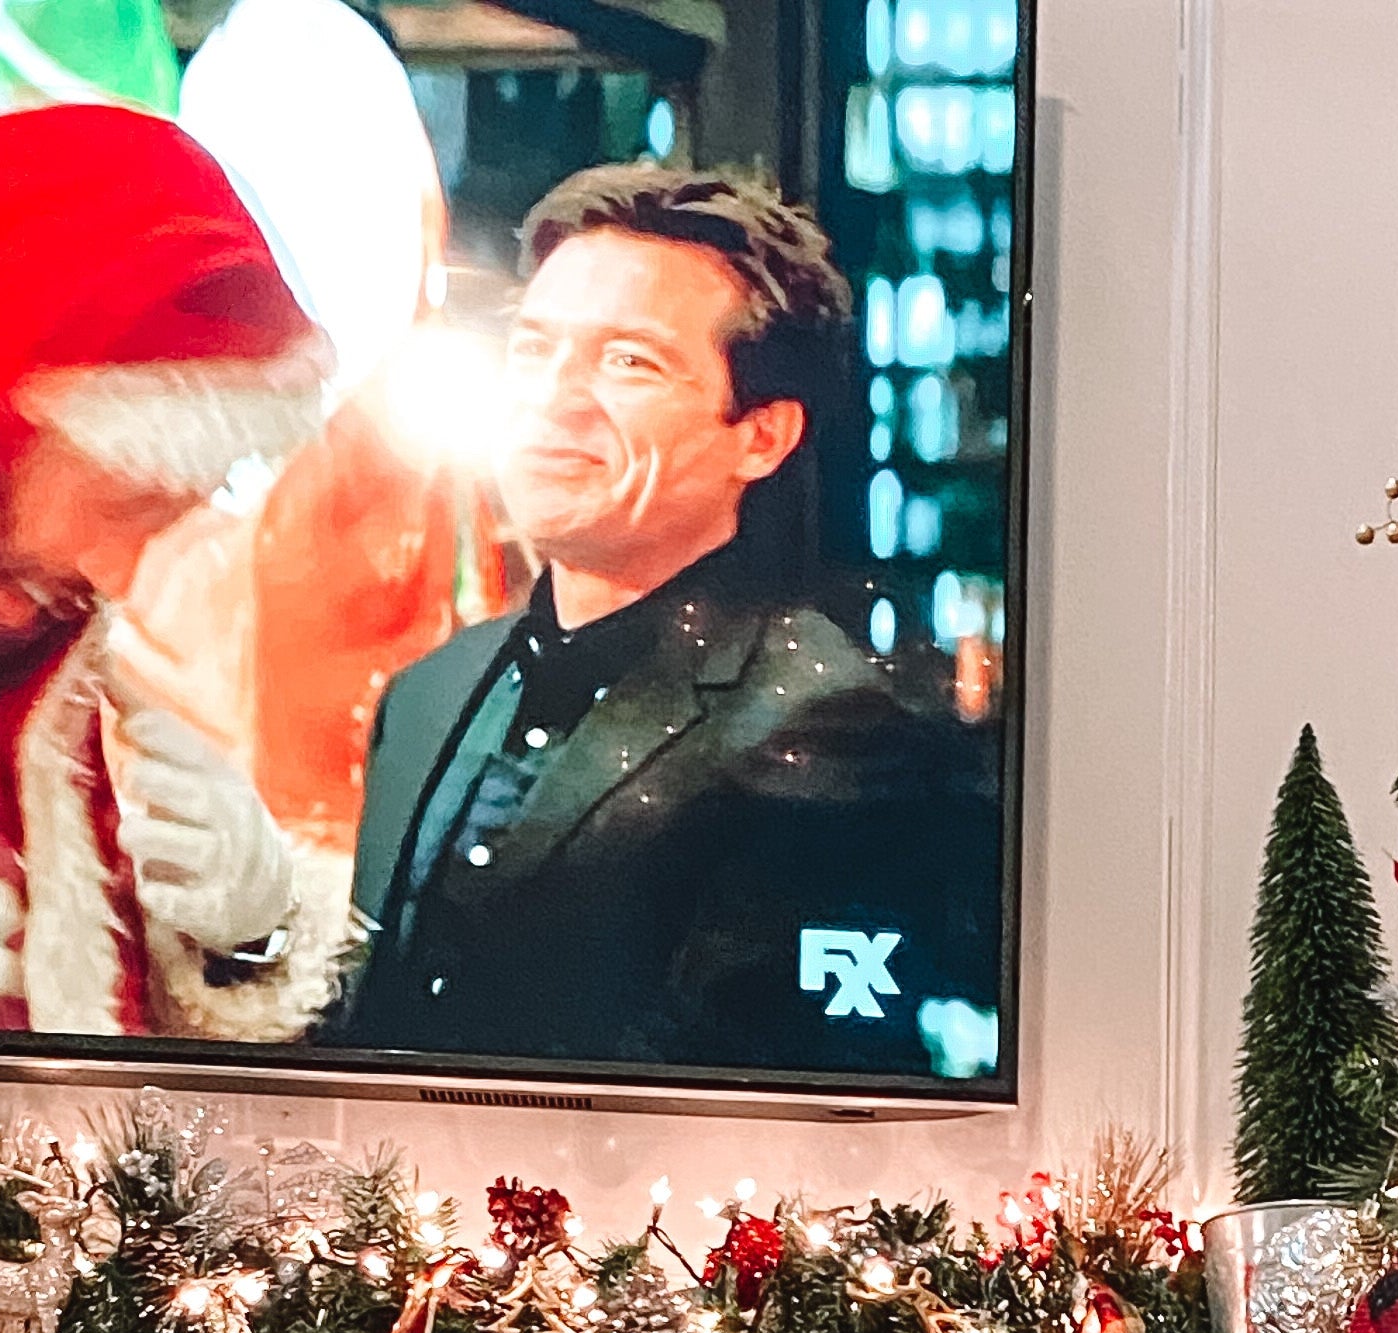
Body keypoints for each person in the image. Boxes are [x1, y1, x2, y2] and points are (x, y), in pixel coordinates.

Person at [336, 164, 999, 1080]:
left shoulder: (830, 723)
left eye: (629, 362)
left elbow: (806, 1099)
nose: (555, 398)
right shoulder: (431, 689)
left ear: (760, 436)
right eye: (533, 348)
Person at [0, 105, 349, 1041]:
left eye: (173, 516)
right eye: (122, 503)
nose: (121, 573)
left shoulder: (59, 710)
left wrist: (248, 945)